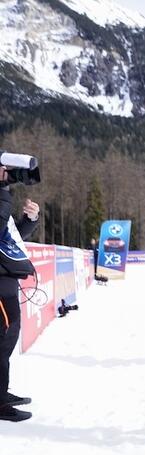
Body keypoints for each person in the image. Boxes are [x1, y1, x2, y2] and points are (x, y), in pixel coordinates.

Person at [0, 165, 40, 423]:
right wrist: (2, 190)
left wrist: (30, 220)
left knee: (6, 342)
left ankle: (1, 392)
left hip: (7, 282)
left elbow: (10, 236)